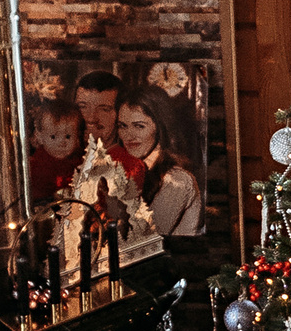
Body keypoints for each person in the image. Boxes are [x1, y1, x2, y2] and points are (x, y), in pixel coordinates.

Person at [116, 86, 204, 237]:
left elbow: (143, 239)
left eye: (139, 126)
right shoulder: (134, 172)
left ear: (160, 127)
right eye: (123, 126)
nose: (128, 135)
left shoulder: (177, 180)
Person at [75, 68, 145, 183]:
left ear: (120, 114)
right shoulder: (63, 156)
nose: (91, 118)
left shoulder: (130, 167)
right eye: (82, 107)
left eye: (104, 109)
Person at [28, 96, 84, 206]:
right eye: (53, 137)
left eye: (68, 136)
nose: (62, 143)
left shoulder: (81, 162)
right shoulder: (36, 166)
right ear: (40, 137)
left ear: (77, 137)